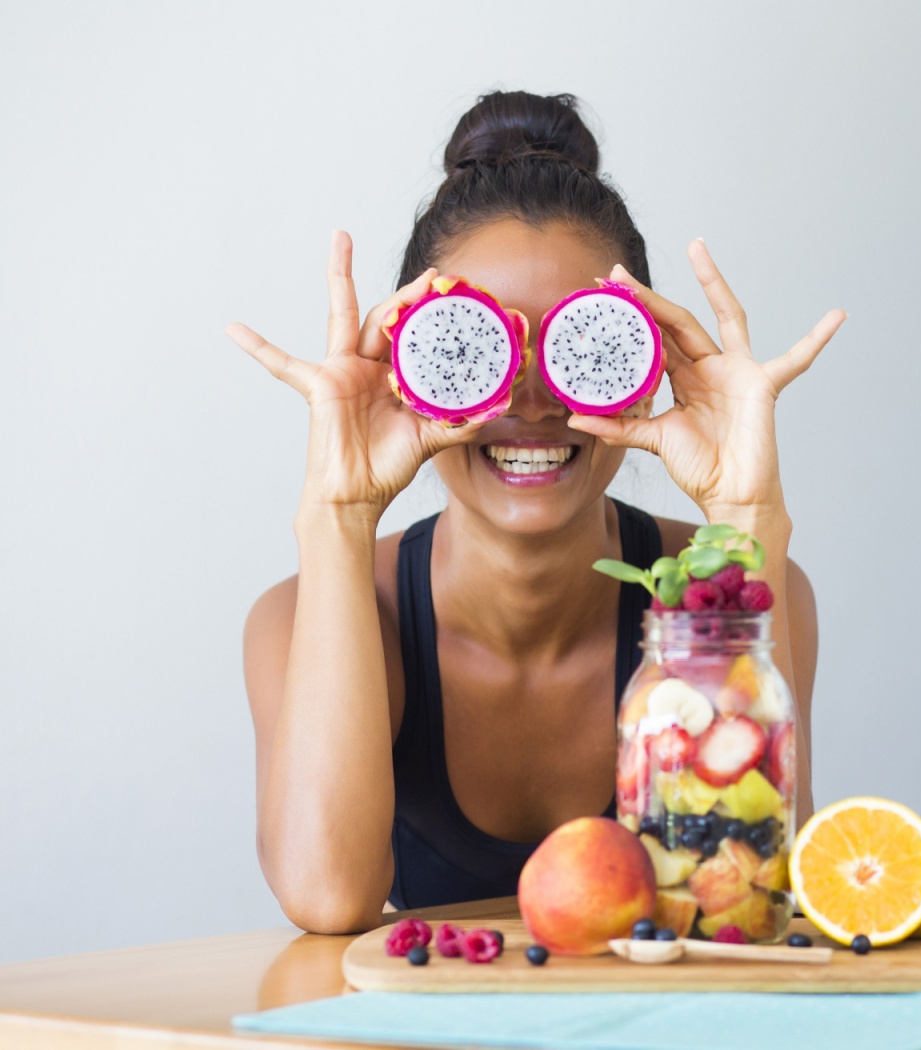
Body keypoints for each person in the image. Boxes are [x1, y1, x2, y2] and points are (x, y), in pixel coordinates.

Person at [227, 91, 844, 934]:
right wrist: (338, 514)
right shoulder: (303, 618)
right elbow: (327, 896)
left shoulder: (736, 587)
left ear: (652, 363)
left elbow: (739, 890)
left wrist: (745, 518)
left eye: (586, 349)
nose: (532, 401)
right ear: (404, 370)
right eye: (470, 351)